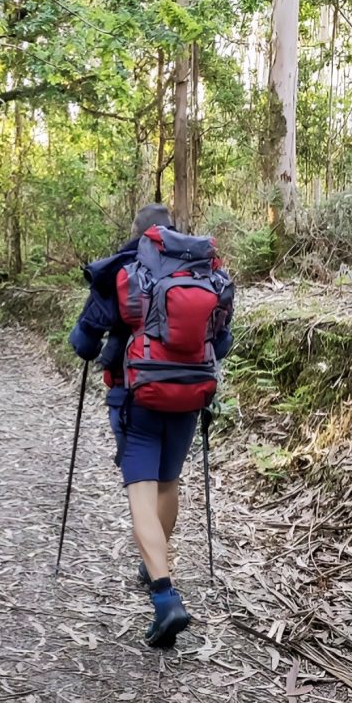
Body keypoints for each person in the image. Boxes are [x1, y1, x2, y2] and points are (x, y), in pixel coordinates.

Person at [69, 204, 233, 648]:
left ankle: (165, 598)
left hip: (136, 398)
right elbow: (222, 341)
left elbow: (84, 342)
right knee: (168, 482)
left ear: (139, 234)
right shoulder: (204, 273)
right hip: (189, 397)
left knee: (140, 489)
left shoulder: (126, 269)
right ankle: (153, 561)